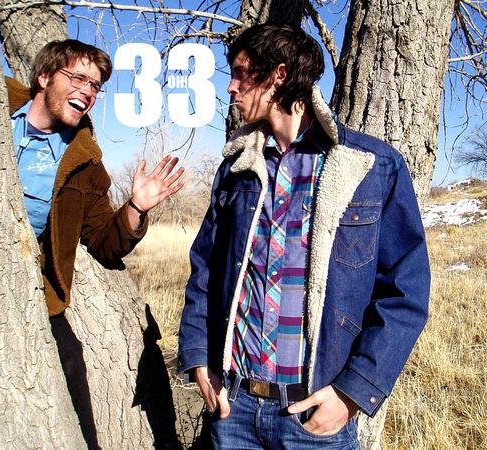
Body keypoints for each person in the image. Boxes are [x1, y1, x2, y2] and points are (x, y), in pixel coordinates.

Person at [178, 24, 430, 449]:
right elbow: (205, 268)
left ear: (278, 75)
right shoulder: (237, 168)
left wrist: (353, 392)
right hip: (233, 408)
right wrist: (199, 355)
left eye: (241, 73)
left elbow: (406, 291)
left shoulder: (368, 166)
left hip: (312, 416)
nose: (231, 87)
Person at [7, 39, 184, 449]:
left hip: (28, 291)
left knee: (71, 368)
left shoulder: (85, 164)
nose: (88, 91)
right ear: (44, 76)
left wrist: (136, 207)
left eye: (95, 85)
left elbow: (104, 241)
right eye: (78, 78)